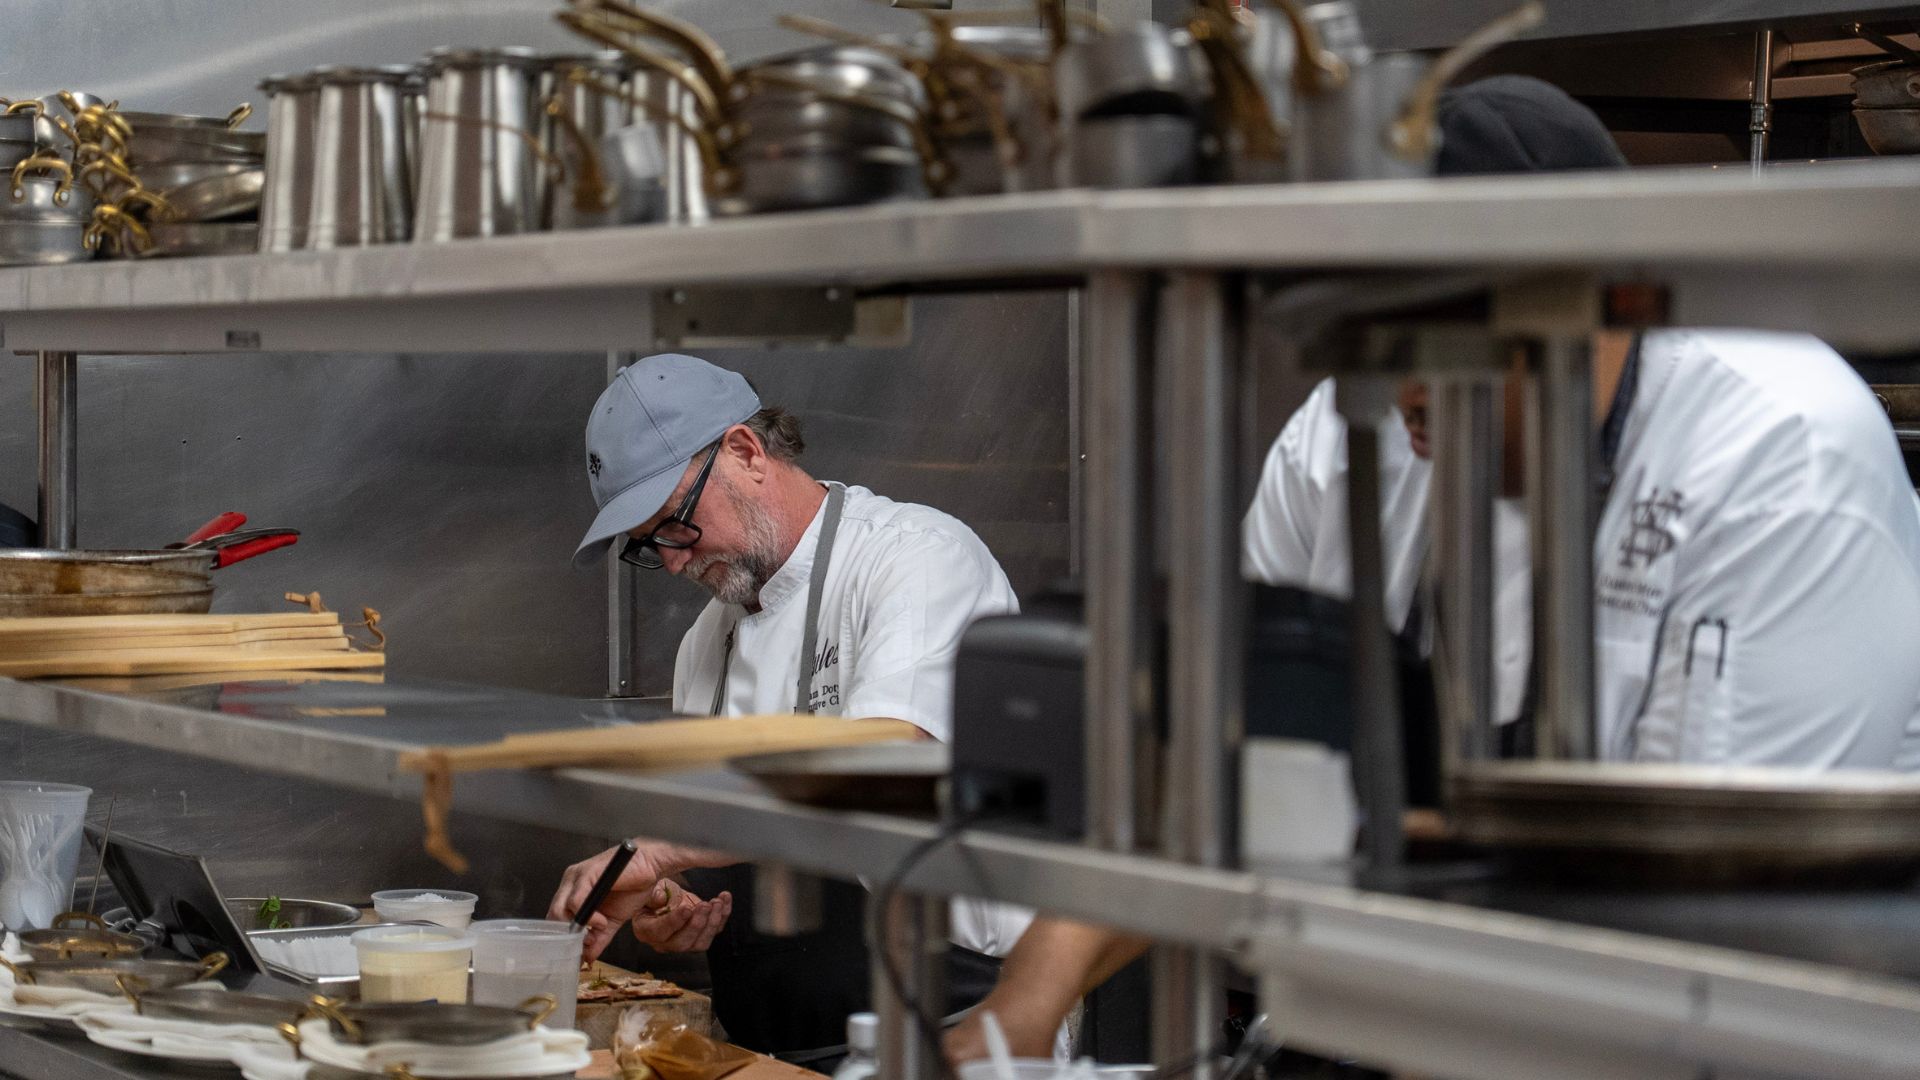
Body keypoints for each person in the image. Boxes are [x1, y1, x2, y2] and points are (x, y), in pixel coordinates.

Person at [946, 74, 1920, 1062]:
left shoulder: (1779, 459)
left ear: (1587, 300)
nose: (1403, 382)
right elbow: (1205, 767)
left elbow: (1697, 903)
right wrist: (1012, 1019)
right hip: (1401, 1016)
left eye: (1446, 326)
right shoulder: (1348, 438)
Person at [549, 352, 1030, 1058]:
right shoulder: (705, 644)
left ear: (745, 451)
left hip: (941, 1038)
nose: (674, 562)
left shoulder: (915, 562)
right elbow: (710, 841)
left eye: (675, 523)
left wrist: (655, 854)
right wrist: (674, 900)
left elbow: (882, 765)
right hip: (763, 1050)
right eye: (648, 547)